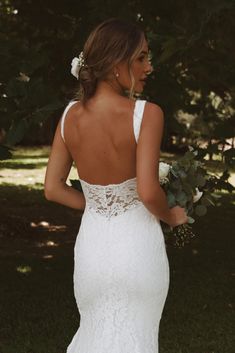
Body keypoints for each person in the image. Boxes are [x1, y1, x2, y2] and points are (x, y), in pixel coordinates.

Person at [44, 18, 187, 353]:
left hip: (93, 249)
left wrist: (97, 206)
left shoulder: (69, 117)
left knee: (95, 333)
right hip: (137, 248)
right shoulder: (147, 113)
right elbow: (148, 191)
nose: (149, 67)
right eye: (141, 58)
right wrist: (172, 216)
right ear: (113, 63)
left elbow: (52, 189)